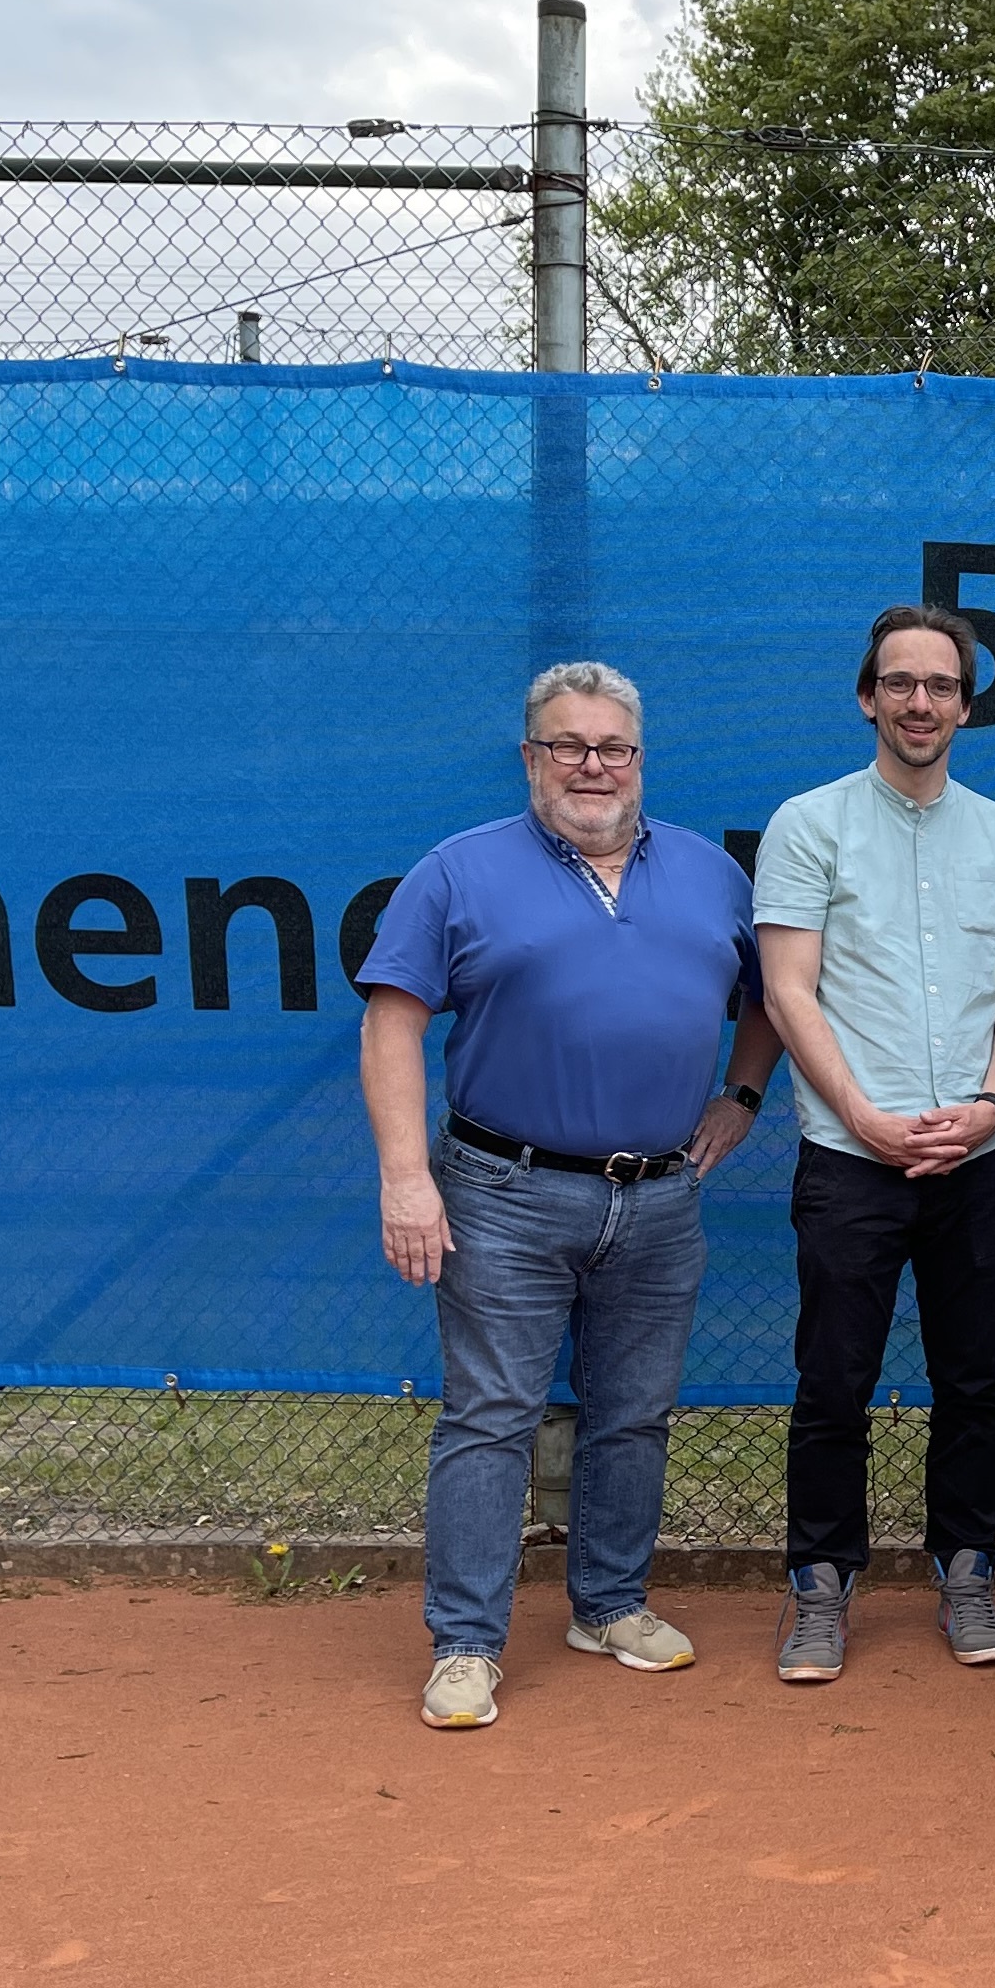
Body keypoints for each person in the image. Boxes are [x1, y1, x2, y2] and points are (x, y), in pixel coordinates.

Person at [359, 661, 780, 1732]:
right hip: (501, 1191)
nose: (592, 767)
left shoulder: (710, 875)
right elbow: (392, 1023)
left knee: (633, 1414)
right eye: (568, 746)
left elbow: (771, 997)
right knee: (491, 1417)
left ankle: (608, 1606)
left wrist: (741, 1095)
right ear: (530, 757)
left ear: (641, 759)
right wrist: (406, 1178)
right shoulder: (457, 873)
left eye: (613, 748)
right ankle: (465, 1642)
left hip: (657, 1195)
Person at [756, 605, 995, 1684]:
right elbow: (788, 992)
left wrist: (990, 1108)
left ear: (967, 705)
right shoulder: (808, 824)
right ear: (866, 696)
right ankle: (820, 1590)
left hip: (975, 1162)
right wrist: (866, 1119)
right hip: (850, 1159)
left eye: (939, 685)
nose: (918, 702)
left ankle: (966, 1574)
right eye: (899, 683)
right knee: (832, 1381)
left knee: (970, 1380)